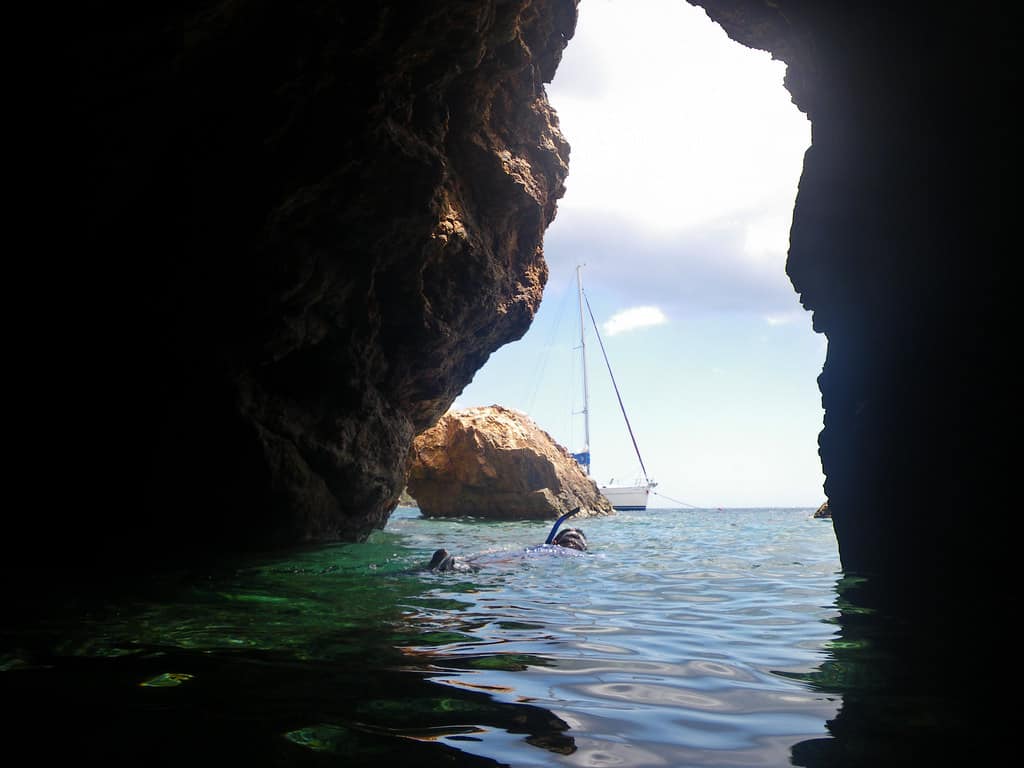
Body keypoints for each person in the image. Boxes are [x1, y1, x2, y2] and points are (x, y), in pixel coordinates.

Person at [427, 507, 587, 572]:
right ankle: (458, 563)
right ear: (555, 542)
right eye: (570, 536)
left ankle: (457, 564)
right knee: (509, 557)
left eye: (577, 539)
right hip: (530, 555)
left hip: (531, 556)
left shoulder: (574, 555)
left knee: (510, 558)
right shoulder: (554, 551)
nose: (573, 540)